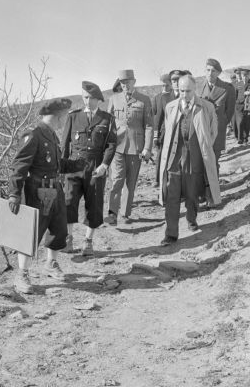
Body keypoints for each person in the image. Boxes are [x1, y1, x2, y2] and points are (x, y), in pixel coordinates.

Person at [7, 98, 86, 294]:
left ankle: (51, 264)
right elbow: (19, 167)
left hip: (55, 189)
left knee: (58, 230)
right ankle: (22, 274)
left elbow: (57, 165)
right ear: (56, 116)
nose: (64, 121)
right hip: (37, 192)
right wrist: (14, 194)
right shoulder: (33, 135)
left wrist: (78, 164)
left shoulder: (51, 136)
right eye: (63, 117)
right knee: (31, 233)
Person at [158, 74, 221, 245]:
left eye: (188, 91)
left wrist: (202, 147)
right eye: (181, 90)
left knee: (193, 195)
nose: (184, 94)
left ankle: (191, 218)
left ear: (194, 89)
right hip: (174, 160)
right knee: (172, 196)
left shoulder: (206, 107)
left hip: (195, 159)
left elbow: (213, 132)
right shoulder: (171, 107)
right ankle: (171, 234)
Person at [60, 81, 117, 256]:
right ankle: (68, 240)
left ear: (98, 99)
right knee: (69, 203)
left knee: (94, 205)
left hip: (95, 167)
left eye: (91, 98)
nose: (87, 101)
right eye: (85, 97)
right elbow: (64, 145)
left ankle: (88, 241)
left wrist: (104, 165)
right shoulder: (73, 117)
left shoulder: (107, 119)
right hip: (74, 166)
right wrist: (61, 170)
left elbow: (111, 144)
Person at [105, 69, 153, 225]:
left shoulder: (144, 100)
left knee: (130, 182)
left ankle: (125, 213)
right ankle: (112, 213)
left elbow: (149, 126)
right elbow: (108, 124)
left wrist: (147, 148)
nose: (124, 85)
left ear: (134, 82)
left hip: (136, 147)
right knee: (117, 178)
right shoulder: (114, 99)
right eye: (122, 82)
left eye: (127, 82)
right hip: (117, 146)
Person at [198, 58, 235, 168]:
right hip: (201, 130)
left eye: (213, 71)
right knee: (201, 162)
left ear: (218, 72)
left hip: (217, 130)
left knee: (213, 162)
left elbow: (229, 112)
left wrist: (221, 123)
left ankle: (214, 185)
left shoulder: (227, 88)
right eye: (208, 70)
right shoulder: (198, 87)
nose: (210, 73)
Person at [153, 71, 181, 187]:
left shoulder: (178, 95)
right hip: (163, 133)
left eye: (167, 85)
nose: (165, 87)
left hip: (177, 132)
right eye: (163, 85)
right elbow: (157, 118)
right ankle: (158, 179)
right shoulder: (160, 98)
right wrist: (156, 135)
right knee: (161, 156)